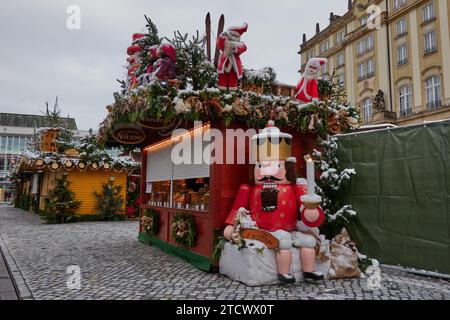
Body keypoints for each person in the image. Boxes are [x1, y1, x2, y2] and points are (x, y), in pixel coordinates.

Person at [223, 121, 325, 283]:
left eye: (277, 165)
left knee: (310, 241)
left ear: (288, 167)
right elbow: (238, 208)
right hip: (263, 228)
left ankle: (309, 271)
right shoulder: (249, 189)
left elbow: (306, 205)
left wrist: (310, 212)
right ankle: (283, 273)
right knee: (283, 241)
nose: (268, 171)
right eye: (262, 166)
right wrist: (230, 226)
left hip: (290, 226)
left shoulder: (295, 187)